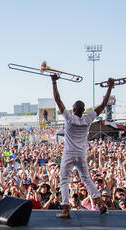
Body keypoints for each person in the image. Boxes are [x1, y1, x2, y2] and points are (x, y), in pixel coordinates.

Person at [51, 74, 114, 219]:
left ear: (73, 109)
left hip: (69, 154)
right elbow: (103, 104)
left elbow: (58, 100)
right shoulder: (88, 118)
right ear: (83, 110)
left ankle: (66, 209)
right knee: (86, 178)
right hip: (81, 154)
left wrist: (54, 82)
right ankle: (100, 204)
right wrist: (109, 87)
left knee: (64, 180)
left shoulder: (70, 118)